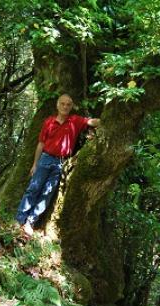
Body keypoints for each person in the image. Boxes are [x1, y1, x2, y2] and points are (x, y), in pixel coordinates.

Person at [16, 94, 100, 236]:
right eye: (62, 104)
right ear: (57, 105)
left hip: (61, 162)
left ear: (71, 106)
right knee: (33, 189)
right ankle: (19, 220)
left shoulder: (75, 121)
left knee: (46, 194)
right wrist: (35, 164)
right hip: (45, 159)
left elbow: (92, 122)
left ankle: (30, 222)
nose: (65, 107)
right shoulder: (49, 122)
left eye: (68, 104)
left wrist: (108, 121)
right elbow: (41, 143)